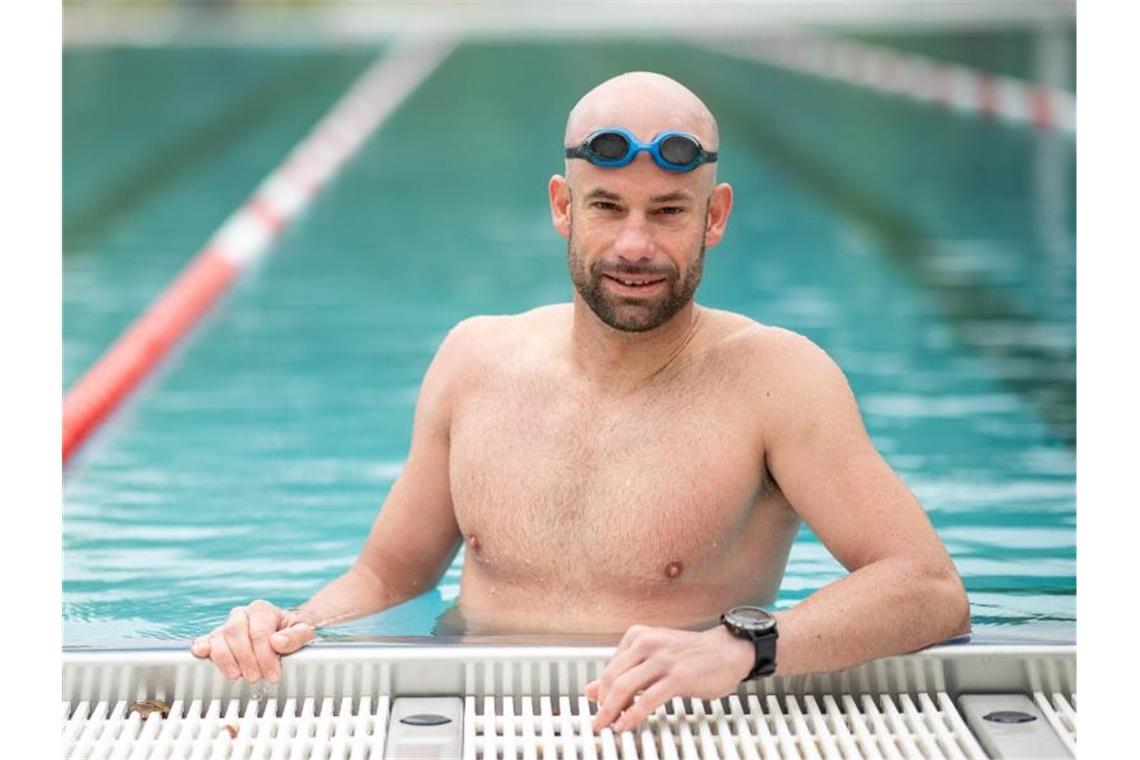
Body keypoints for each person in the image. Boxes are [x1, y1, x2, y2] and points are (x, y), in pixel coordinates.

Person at [192, 71, 970, 733]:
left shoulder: (777, 379)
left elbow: (928, 589)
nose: (636, 245)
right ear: (564, 207)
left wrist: (741, 647)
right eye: (607, 207)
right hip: (474, 720)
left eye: (668, 211)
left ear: (716, 217)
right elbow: (388, 575)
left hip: (672, 729)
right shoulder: (475, 359)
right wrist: (289, 626)